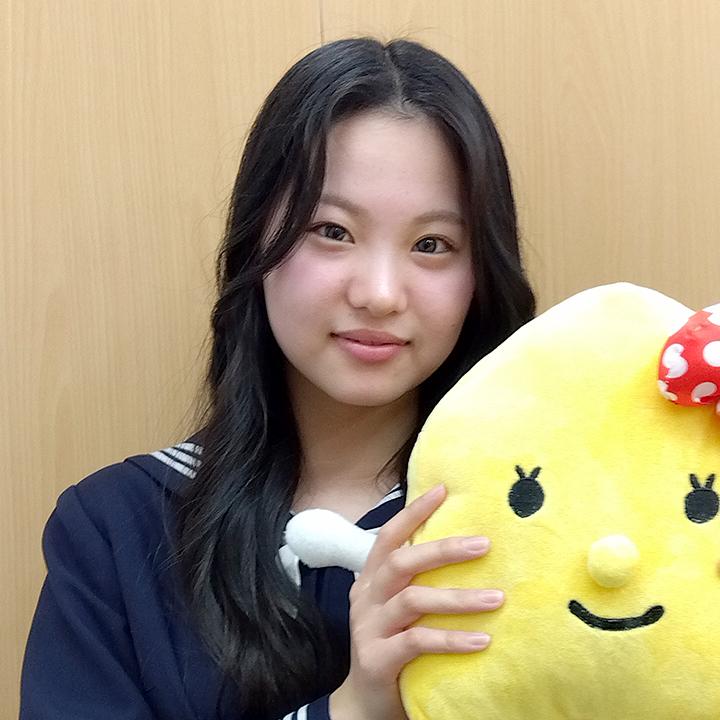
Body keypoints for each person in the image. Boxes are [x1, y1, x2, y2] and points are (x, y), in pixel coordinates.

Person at [20, 36, 536, 720]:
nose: (380, 294)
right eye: (333, 230)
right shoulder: (117, 529)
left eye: (432, 244)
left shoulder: (534, 517)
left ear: (481, 274)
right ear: (256, 238)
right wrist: (354, 709)